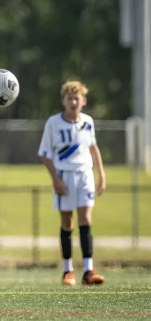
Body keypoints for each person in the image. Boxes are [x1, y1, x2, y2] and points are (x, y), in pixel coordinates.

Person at [37, 81, 106, 286]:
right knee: (67, 222)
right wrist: (56, 180)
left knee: (85, 219)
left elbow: (93, 148)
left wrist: (101, 174)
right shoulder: (53, 123)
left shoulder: (88, 122)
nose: (73, 101)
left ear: (83, 101)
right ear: (63, 101)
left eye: (77, 98)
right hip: (64, 176)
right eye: (69, 98)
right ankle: (67, 271)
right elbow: (45, 154)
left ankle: (88, 271)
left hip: (85, 175)